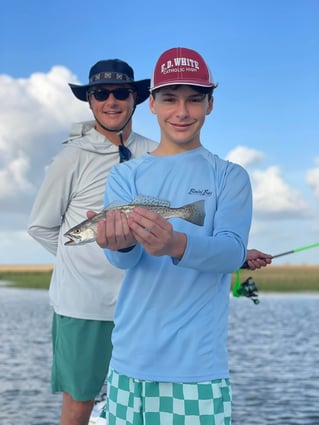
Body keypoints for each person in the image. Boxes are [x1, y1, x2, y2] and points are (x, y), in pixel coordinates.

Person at [96, 47, 253, 425]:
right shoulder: (124, 176)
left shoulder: (230, 176)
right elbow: (124, 260)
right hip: (129, 359)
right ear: (151, 104)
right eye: (169, 99)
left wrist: (175, 245)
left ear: (210, 104)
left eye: (194, 100)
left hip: (197, 367)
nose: (181, 112)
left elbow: (233, 253)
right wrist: (118, 242)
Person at [27, 59, 158, 425]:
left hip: (140, 305)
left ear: (137, 98)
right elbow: (40, 226)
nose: (111, 101)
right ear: (89, 101)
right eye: (101, 93)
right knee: (79, 403)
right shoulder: (72, 155)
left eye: (121, 93)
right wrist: (80, 263)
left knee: (141, 403)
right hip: (83, 307)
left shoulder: (156, 154)